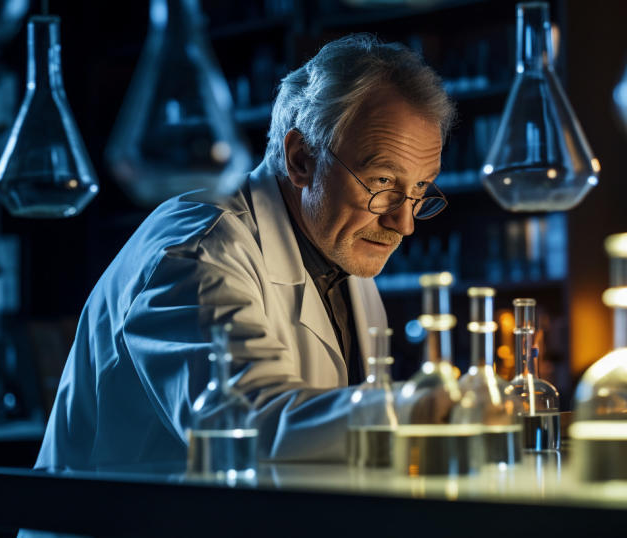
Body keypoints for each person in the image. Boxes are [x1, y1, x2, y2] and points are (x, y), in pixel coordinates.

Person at [35, 33, 455, 469]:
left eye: (420, 189)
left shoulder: (343, 259)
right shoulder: (199, 251)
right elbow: (243, 424)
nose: (403, 223)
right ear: (301, 159)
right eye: (382, 182)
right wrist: (413, 410)